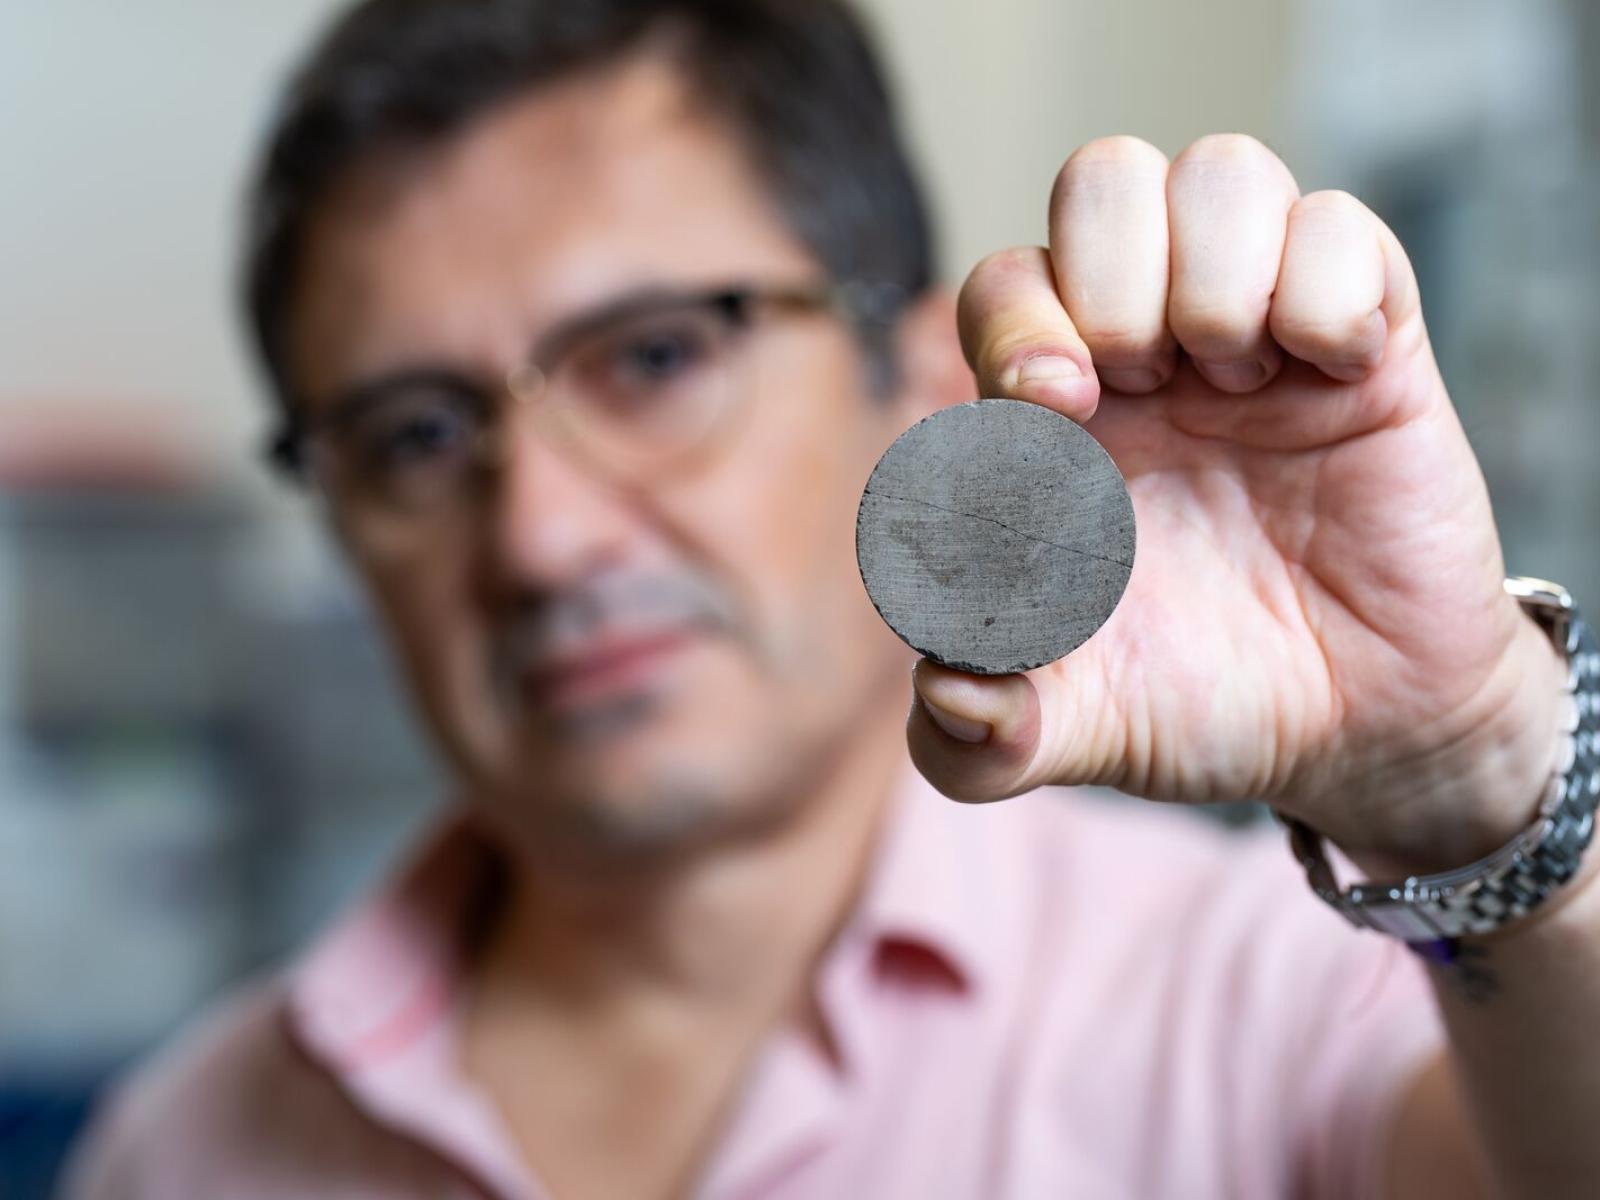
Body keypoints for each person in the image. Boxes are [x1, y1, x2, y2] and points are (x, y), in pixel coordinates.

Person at [63, 0, 1599, 1197]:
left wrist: (1471, 775)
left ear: (923, 377)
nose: (540, 540)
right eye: (414, 434)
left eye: (656, 356)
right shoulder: (179, 1149)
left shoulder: (1289, 1010)